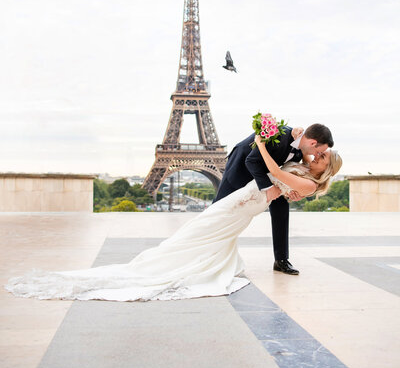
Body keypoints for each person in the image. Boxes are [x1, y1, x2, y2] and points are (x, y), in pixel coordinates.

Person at [5, 133, 342, 303]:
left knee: (211, 229)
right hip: (246, 198)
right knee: (207, 228)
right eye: (321, 153)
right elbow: (277, 162)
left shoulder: (308, 182)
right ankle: (185, 259)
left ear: (325, 170)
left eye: (324, 158)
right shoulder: (300, 158)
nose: (319, 157)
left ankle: (186, 261)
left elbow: (270, 168)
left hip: (250, 200)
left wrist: (261, 143)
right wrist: (273, 141)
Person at [214, 123, 334, 275]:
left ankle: (281, 260)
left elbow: (302, 174)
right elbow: (252, 161)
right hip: (243, 166)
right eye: (319, 151)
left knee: (282, 211)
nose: (316, 156)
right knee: (219, 209)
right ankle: (212, 251)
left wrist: (295, 192)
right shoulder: (281, 135)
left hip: (271, 177)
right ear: (313, 143)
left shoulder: (301, 149)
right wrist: (269, 188)